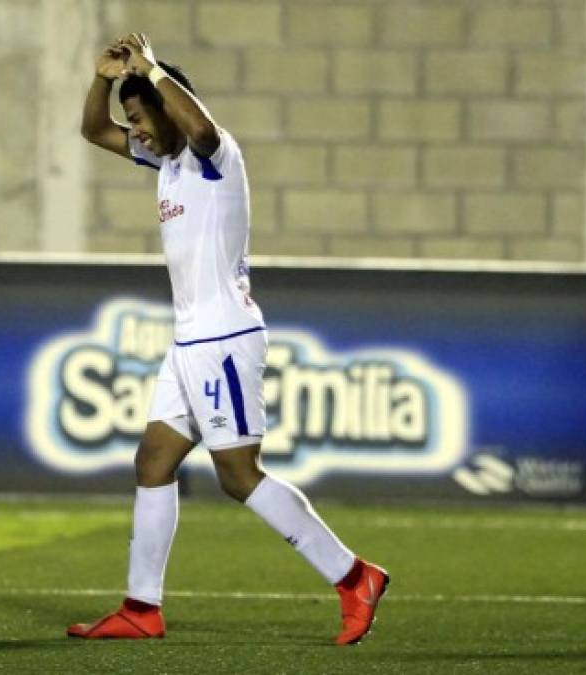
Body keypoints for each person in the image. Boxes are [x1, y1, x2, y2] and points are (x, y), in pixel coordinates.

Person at [68, 33, 389, 646]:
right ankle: (142, 607)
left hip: (224, 340)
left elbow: (203, 127)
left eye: (139, 119)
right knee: (153, 461)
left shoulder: (215, 157)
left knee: (240, 476)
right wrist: (106, 79)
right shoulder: (163, 164)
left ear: (166, 106)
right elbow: (91, 130)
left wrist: (155, 70)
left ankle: (354, 577)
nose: (132, 131)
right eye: (131, 122)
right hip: (189, 343)